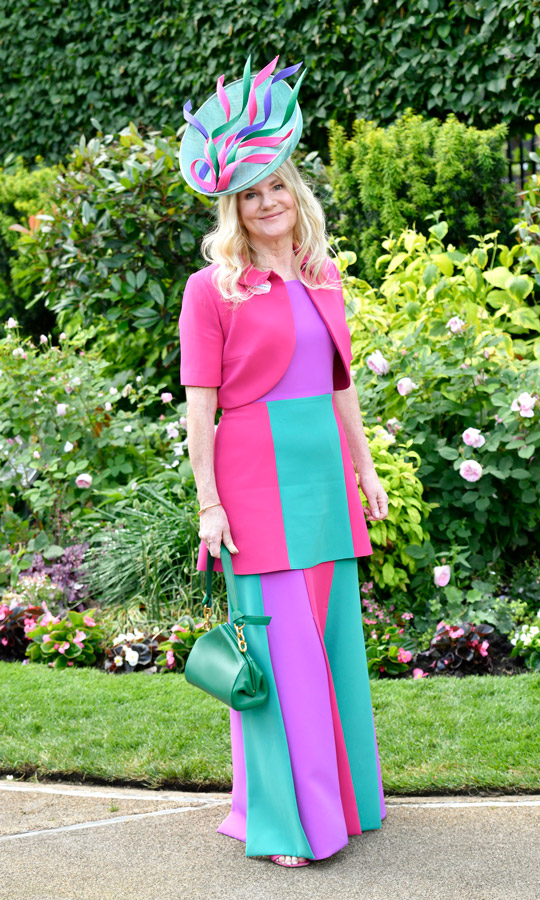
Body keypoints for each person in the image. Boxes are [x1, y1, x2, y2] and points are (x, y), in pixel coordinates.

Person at [178, 56, 389, 868]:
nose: (267, 203)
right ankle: (285, 822)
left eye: (276, 187)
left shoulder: (323, 276)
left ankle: (343, 802)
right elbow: (202, 406)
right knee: (276, 650)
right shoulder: (212, 290)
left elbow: (341, 391)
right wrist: (209, 502)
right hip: (252, 475)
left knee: (329, 640)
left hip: (321, 476)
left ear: (293, 193)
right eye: (250, 194)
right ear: (234, 208)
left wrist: (365, 471)